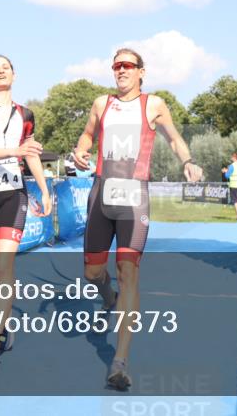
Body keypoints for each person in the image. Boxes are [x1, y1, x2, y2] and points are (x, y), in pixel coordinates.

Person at [72, 48, 203, 391]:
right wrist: (81, 149)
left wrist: (187, 161)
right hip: (101, 193)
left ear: (141, 71)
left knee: (128, 271)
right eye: (116, 66)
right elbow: (87, 135)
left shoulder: (154, 104)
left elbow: (174, 139)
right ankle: (107, 296)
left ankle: (120, 360)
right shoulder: (102, 103)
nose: (121, 70)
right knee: (92, 272)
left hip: (134, 197)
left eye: (127, 65)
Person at [0, 55, 52, 377]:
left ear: (14, 75)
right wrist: (18, 150)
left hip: (14, 195)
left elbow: (31, 157)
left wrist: (43, 189)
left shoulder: (26, 114)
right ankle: (0, 318)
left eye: (6, 67)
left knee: (5, 266)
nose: (1, 70)